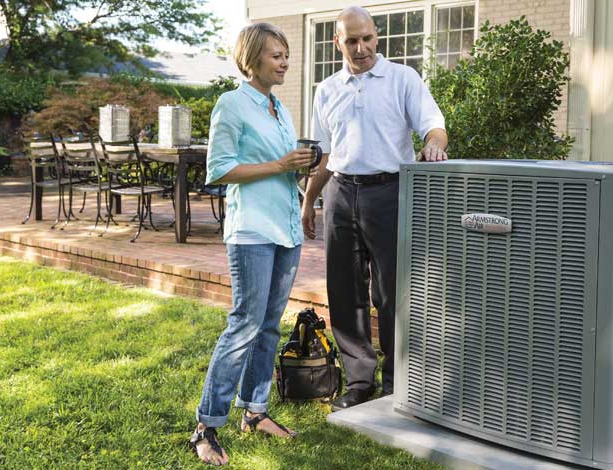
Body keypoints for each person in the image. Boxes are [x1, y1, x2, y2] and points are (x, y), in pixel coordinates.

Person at [302, 6, 448, 411]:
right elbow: (326, 155)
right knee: (344, 289)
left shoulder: (403, 78)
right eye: (351, 40)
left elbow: (433, 124)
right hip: (340, 193)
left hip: (389, 192)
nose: (361, 47)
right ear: (338, 43)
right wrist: (310, 200)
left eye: (366, 38)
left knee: (392, 292)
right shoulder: (327, 89)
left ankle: (397, 379)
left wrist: (435, 144)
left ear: (377, 35)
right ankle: (359, 381)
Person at [190, 23, 317, 466]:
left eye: (286, 55)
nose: (285, 61)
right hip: (252, 232)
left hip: (285, 228)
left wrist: (298, 174)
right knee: (244, 324)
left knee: (268, 326)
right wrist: (280, 163)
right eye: (277, 54)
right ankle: (206, 425)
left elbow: (277, 168)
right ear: (252, 57)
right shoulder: (231, 104)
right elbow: (219, 170)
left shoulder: (279, 107)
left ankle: (256, 411)